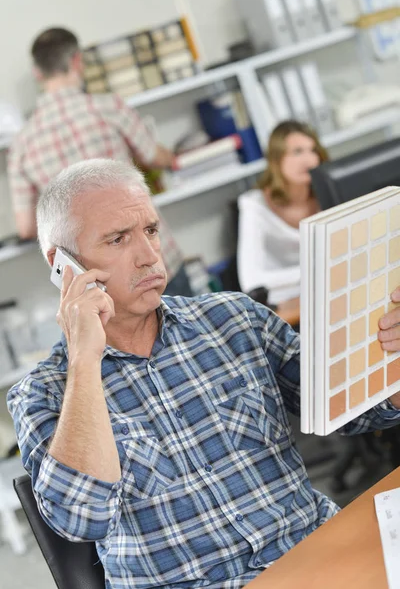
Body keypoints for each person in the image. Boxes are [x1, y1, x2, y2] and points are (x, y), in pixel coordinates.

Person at [7, 158, 400, 589]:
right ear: (63, 264)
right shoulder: (42, 393)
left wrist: (392, 357)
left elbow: (361, 412)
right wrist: (84, 360)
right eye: (118, 240)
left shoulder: (234, 318)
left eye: (151, 231)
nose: (148, 256)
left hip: (316, 558)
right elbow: (82, 519)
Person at [7, 26, 191, 297]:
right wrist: (173, 157)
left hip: (95, 283)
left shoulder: (21, 144)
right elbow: (153, 156)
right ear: (77, 61)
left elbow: (26, 227)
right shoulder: (108, 107)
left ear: (38, 73)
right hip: (149, 260)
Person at [237, 120, 328, 310]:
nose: (309, 160)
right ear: (276, 160)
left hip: (327, 293)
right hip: (283, 307)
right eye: (297, 152)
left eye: (313, 151)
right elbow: (251, 280)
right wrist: (320, 270)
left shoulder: (328, 194)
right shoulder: (254, 205)